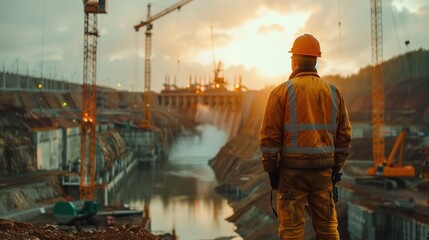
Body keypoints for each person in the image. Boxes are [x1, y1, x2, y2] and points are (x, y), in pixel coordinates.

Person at [259, 34, 352, 240]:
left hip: (291, 174)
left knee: (291, 232)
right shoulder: (333, 92)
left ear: (294, 60)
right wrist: (335, 168)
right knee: (328, 230)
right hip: (322, 173)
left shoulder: (280, 92)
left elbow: (268, 139)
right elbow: (344, 137)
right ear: (316, 60)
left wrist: (272, 171)